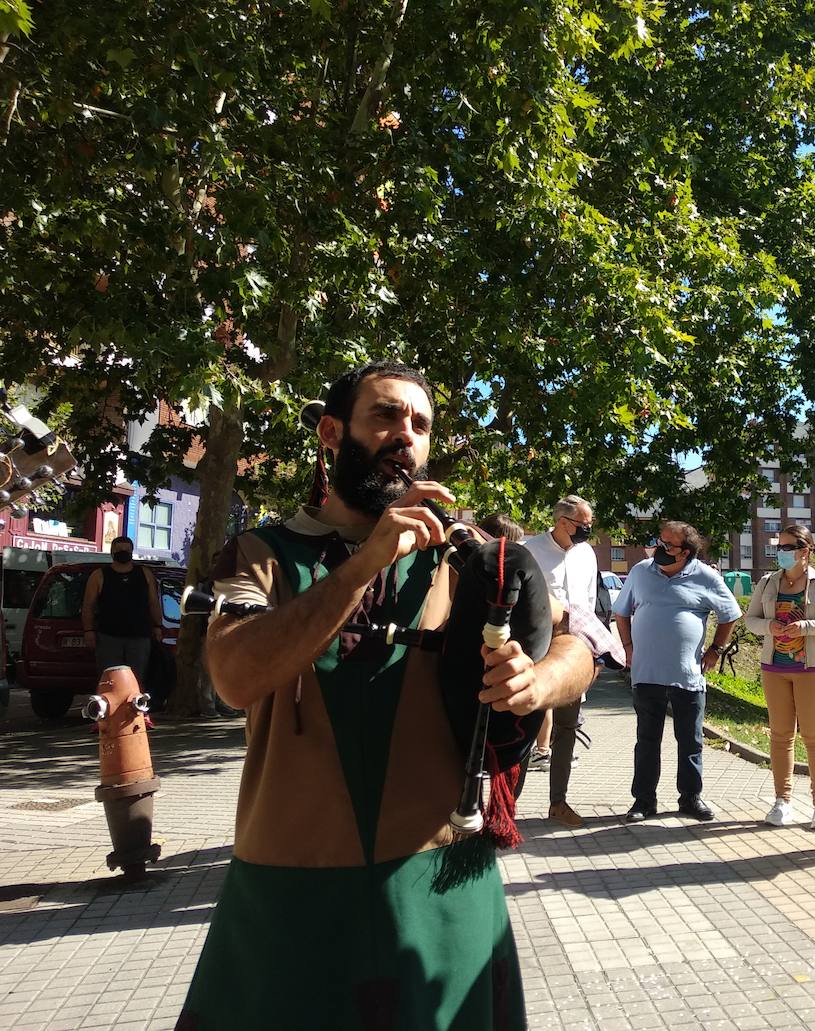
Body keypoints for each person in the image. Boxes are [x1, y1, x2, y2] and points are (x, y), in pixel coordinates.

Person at [178, 361, 595, 1030]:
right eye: (386, 416)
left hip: (441, 886)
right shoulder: (258, 552)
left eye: (421, 424)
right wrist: (366, 560)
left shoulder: (470, 556)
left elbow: (580, 648)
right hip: (291, 895)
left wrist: (540, 679)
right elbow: (235, 673)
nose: (406, 434)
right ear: (332, 432)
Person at [613, 520, 741, 823]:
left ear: (685, 552)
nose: (660, 548)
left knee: (690, 742)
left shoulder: (706, 576)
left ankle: (690, 799)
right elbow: (621, 612)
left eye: (668, 545)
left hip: (688, 676)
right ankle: (643, 801)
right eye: (660, 541)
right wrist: (628, 646)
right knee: (646, 741)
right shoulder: (641, 571)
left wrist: (716, 649)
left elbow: (730, 614)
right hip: (646, 674)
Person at [744, 524, 815, 831]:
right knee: (780, 735)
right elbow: (750, 620)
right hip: (774, 667)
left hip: (812, 669)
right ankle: (782, 802)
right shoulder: (767, 582)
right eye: (780, 547)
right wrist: (769, 627)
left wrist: (806, 627)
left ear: (805, 551)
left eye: (787, 547)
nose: (781, 553)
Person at [522, 495, 598, 829]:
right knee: (523, 729)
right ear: (563, 522)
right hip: (536, 651)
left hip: (574, 650)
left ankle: (559, 803)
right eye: (584, 525)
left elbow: (591, 601)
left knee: (568, 728)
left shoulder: (587, 554)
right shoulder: (529, 550)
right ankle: (505, 806)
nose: (588, 531)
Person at [81, 536, 160, 685]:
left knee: (137, 680)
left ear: (131, 552)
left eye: (126, 550)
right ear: (111, 552)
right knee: (110, 680)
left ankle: (134, 707)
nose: (123, 553)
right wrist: (88, 631)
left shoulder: (145, 574)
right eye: (119, 550)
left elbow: (153, 602)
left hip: (140, 636)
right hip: (109, 637)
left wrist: (157, 625)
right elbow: (88, 605)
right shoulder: (99, 575)